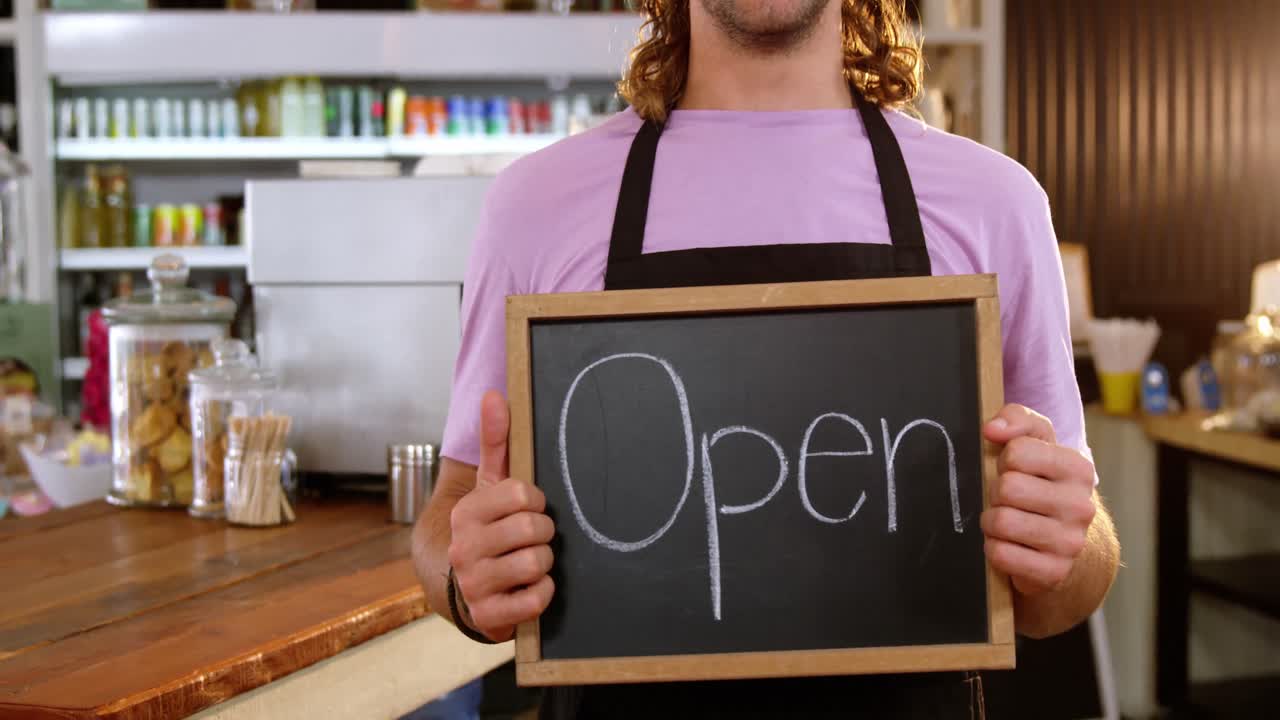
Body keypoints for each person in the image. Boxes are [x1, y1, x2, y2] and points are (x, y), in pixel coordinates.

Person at [413, 0, 1121, 716]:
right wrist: (466, 580)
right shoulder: (536, 204)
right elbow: (451, 511)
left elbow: (1069, 578)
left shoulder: (994, 203)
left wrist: (1065, 542)